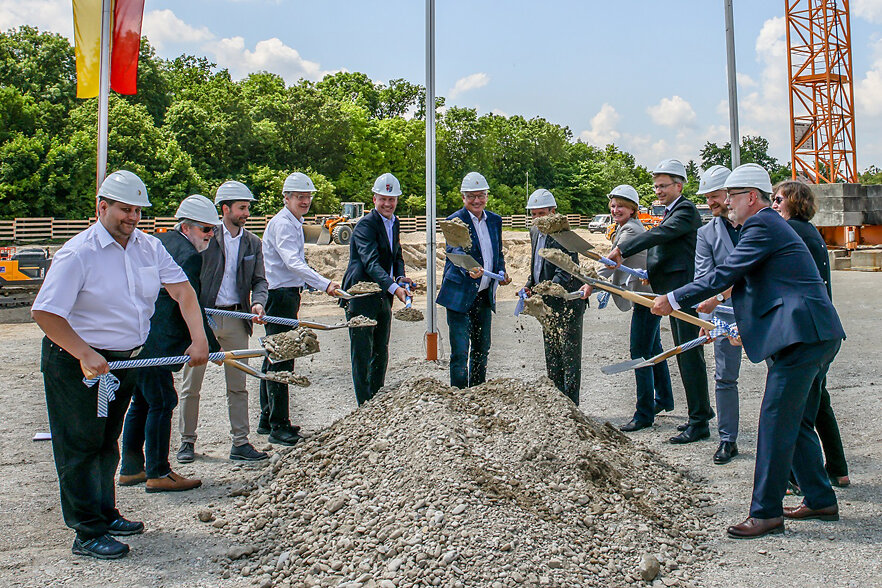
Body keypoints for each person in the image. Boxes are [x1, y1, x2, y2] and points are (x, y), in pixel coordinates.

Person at [652, 163, 846, 539]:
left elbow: (727, 271)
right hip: (811, 334)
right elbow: (758, 282)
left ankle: (766, 513)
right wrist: (734, 318)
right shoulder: (769, 226)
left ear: (751, 197)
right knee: (798, 421)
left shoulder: (761, 224)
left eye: (732, 196)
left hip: (802, 338)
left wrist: (674, 298)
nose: (726, 204)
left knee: (775, 421)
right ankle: (821, 498)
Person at [31, 170, 209, 559]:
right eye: (124, 209)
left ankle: (105, 512)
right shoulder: (79, 253)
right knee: (79, 446)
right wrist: (83, 352)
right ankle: (87, 531)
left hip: (124, 361)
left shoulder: (147, 247)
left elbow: (182, 291)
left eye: (137, 211)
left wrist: (199, 338)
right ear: (102, 207)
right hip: (76, 362)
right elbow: (45, 313)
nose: (132, 217)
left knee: (105, 441)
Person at [606, 159, 713, 444]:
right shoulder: (671, 211)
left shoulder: (686, 210)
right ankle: (696, 413)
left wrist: (622, 249)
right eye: (656, 186)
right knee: (681, 352)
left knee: (689, 354)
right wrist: (648, 273)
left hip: (683, 293)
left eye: (663, 185)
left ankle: (700, 420)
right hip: (669, 290)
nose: (658, 191)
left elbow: (660, 235)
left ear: (679, 185)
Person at [119, 195, 220, 493]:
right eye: (205, 229)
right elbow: (188, 302)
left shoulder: (160, 242)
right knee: (163, 401)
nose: (210, 236)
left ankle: (131, 467)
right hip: (156, 343)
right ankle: (158, 472)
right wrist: (209, 346)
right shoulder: (188, 254)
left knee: (142, 401)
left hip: (138, 338)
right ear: (186, 228)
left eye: (212, 230)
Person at [177, 181, 269, 464]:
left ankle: (240, 442)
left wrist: (259, 302)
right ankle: (186, 442)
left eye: (248, 208)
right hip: (204, 318)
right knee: (191, 383)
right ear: (224, 208)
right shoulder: (206, 236)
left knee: (238, 384)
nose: (246, 213)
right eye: (242, 208)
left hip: (237, 318)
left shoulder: (253, 242)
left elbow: (260, 280)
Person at [772, 179, 849, 488]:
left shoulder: (792, 233)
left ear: (796, 202)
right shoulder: (811, 233)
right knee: (819, 401)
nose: (774, 204)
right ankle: (838, 467)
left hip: (804, 331)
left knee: (800, 411)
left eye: (779, 199)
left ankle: (803, 477)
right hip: (820, 328)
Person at [582, 185, 673, 429]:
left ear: (633, 209)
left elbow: (609, 264)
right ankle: (664, 397)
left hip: (647, 298)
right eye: (612, 206)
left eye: (620, 205)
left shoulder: (630, 231)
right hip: (647, 294)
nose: (615, 210)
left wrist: (589, 281)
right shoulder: (625, 227)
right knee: (653, 348)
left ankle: (644, 414)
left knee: (640, 353)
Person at [260, 172, 340, 445]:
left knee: (273, 355)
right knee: (283, 357)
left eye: (307, 197)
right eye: (300, 197)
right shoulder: (283, 224)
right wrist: (324, 283)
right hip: (279, 295)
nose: (305, 201)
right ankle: (278, 425)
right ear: (287, 198)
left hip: (286, 293)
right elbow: (293, 263)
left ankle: (268, 417)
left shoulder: (292, 222)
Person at [340, 173, 412, 405]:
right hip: (361, 295)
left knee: (381, 348)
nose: (388, 204)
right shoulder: (365, 226)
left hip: (383, 294)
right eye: (383, 199)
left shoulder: (394, 222)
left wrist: (400, 278)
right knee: (362, 352)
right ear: (374, 199)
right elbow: (370, 263)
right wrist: (394, 288)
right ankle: (364, 404)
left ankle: (377, 399)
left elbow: (396, 255)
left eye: (392, 199)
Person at [437, 171, 511, 388]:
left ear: (487, 196)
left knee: (482, 348)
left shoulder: (495, 221)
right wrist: (469, 269)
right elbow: (455, 251)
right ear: (463, 198)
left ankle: (478, 392)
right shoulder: (454, 221)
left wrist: (501, 272)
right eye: (471, 196)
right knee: (460, 352)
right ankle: (459, 397)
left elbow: (497, 253)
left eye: (480, 195)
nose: (476, 200)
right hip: (460, 295)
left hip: (483, 297)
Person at [690, 165, 744, 465]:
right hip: (724, 314)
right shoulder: (706, 233)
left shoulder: (754, 224)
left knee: (780, 376)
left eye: (714, 196)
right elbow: (703, 278)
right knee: (725, 378)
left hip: (762, 313)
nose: (710, 202)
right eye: (707, 197)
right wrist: (706, 321)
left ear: (731, 192)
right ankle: (728, 439)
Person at [522, 188, 586, 404]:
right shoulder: (534, 232)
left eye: (542, 214)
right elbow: (537, 265)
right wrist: (530, 285)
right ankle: (557, 402)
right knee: (552, 351)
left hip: (568, 301)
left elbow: (565, 271)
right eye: (534, 214)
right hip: (546, 301)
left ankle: (572, 404)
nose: (538, 219)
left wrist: (545, 290)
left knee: (569, 355)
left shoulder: (564, 235)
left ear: (553, 212)